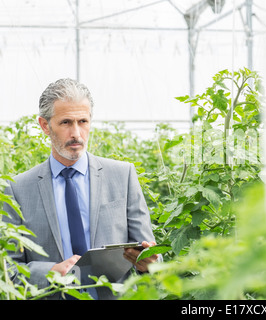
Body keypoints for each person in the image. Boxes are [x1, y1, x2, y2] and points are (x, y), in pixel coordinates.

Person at [3, 78, 159, 299]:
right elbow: (8, 269)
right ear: (45, 125)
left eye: (83, 121)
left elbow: (152, 256)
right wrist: (50, 271)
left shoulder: (122, 176)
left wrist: (147, 263)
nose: (76, 133)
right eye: (66, 122)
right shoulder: (18, 189)